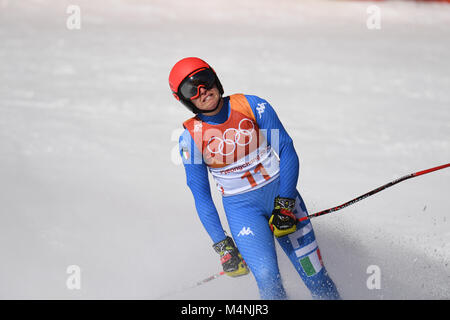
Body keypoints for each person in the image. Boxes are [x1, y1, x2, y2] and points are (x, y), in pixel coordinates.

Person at [169, 57, 341, 300]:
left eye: (205, 81)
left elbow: (287, 150)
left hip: (283, 198)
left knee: (315, 277)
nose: (202, 90)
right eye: (191, 89)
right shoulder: (190, 139)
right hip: (243, 212)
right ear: (183, 98)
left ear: (215, 78)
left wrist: (285, 204)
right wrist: (222, 245)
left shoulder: (252, 106)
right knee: (269, 284)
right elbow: (201, 196)